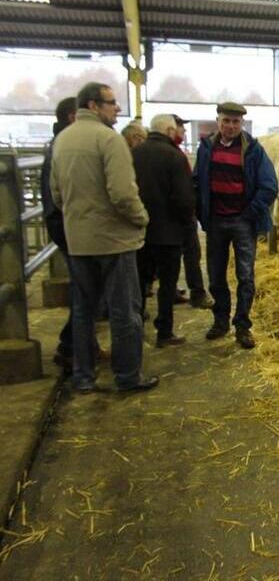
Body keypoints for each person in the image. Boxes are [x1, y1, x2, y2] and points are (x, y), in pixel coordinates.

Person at [50, 82, 159, 393]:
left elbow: (57, 194)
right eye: (112, 103)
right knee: (125, 311)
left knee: (84, 312)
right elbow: (123, 193)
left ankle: (83, 377)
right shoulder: (109, 140)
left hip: (79, 241)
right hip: (114, 240)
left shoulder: (62, 141)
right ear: (94, 106)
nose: (117, 109)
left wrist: (78, 220)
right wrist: (142, 219)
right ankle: (127, 376)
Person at [193, 102, 278, 349]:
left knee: (245, 275)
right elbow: (198, 180)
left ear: (242, 124)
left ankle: (242, 325)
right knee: (216, 275)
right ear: (218, 121)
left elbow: (269, 185)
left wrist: (250, 213)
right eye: (226, 121)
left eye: (235, 122)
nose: (230, 126)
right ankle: (220, 321)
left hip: (242, 221)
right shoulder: (207, 148)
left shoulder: (253, 149)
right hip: (216, 221)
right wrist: (202, 213)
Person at [40, 96, 105, 376]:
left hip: (71, 225)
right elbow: (57, 195)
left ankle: (85, 345)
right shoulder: (63, 146)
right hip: (71, 227)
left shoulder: (62, 144)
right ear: (72, 117)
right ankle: (70, 348)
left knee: (89, 292)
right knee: (87, 293)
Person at [132, 114, 195, 347]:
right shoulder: (174, 157)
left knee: (139, 283)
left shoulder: (134, 154)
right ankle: (164, 331)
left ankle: (135, 329)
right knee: (167, 285)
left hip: (140, 231)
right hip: (168, 233)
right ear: (169, 131)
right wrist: (186, 222)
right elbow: (184, 198)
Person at [172, 114, 214, 309]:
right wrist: (193, 209)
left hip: (166, 218)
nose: (184, 131)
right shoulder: (172, 154)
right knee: (191, 254)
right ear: (169, 129)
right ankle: (197, 292)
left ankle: (171, 290)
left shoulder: (171, 151)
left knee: (169, 259)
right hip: (179, 215)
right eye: (180, 127)